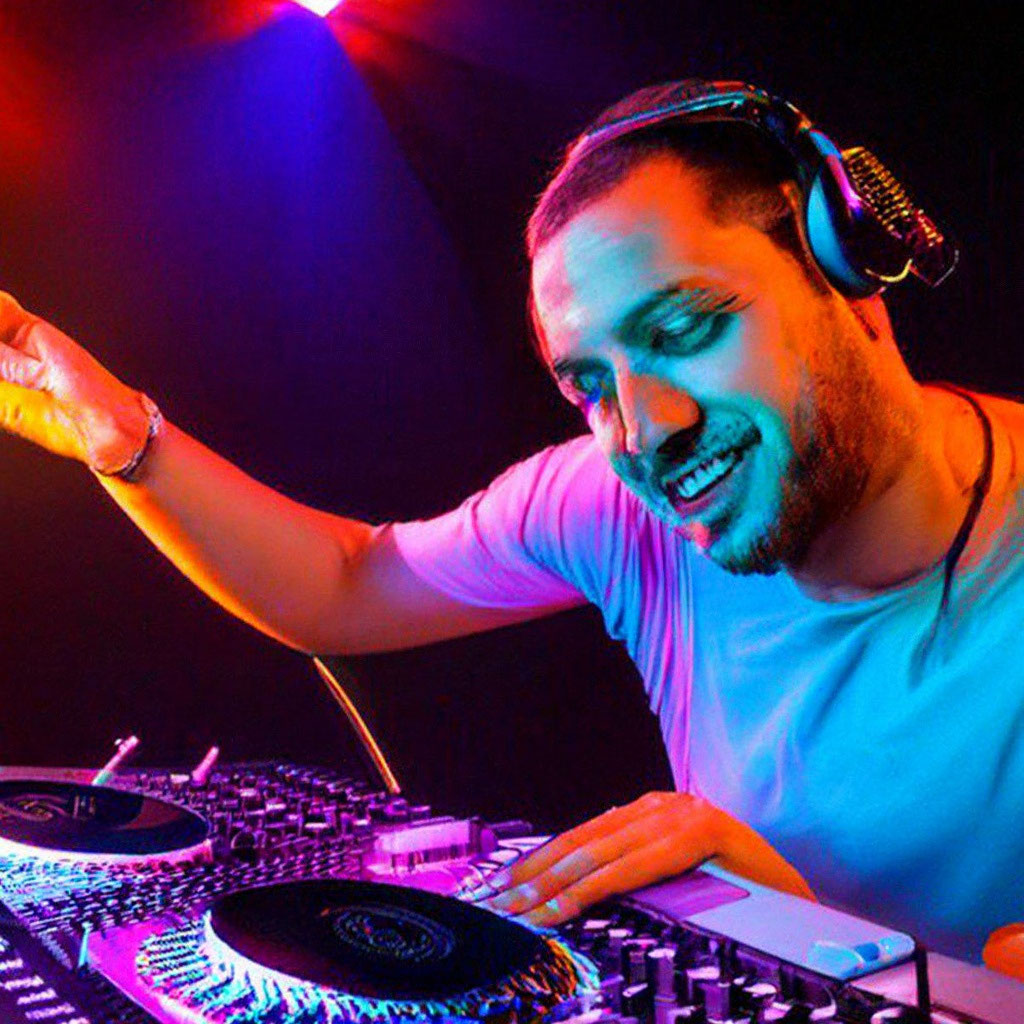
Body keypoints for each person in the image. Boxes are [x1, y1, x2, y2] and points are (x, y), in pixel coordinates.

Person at [0, 79, 1021, 963]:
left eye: (685, 327)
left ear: (850, 276)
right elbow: (345, 584)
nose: (645, 427)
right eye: (590, 386)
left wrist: (787, 929)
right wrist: (119, 435)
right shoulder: (624, 504)